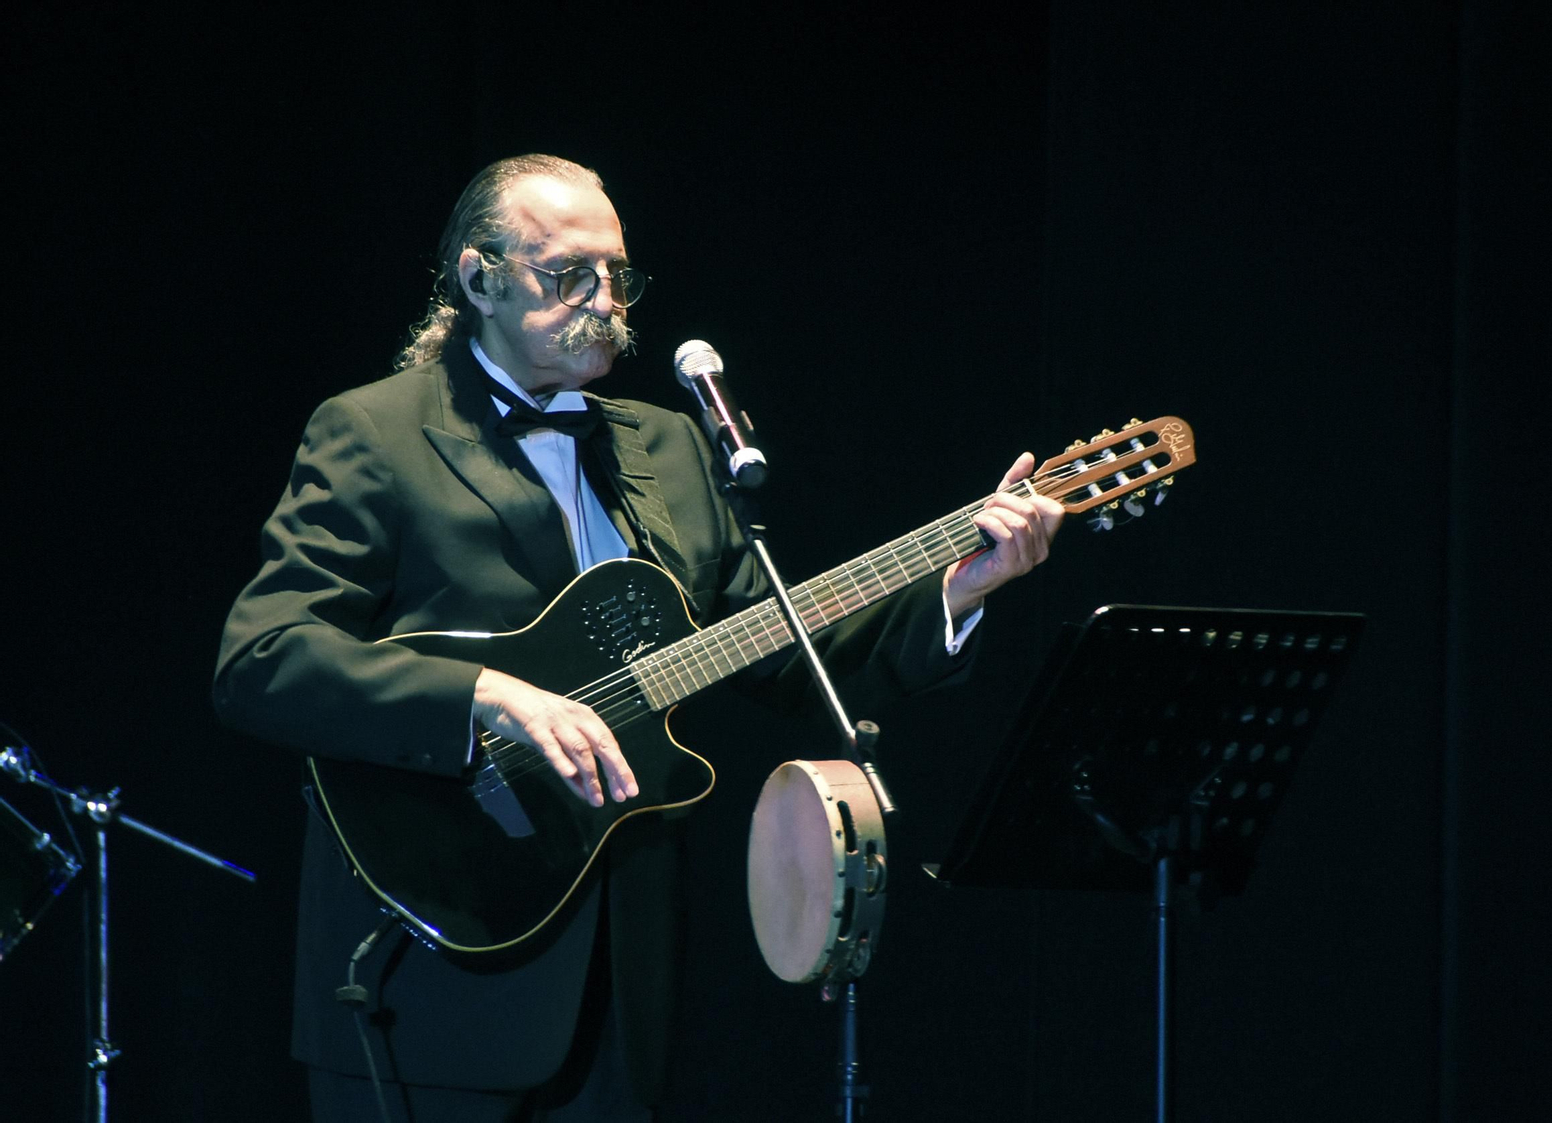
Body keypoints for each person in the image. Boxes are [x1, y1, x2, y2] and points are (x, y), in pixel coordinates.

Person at [213, 153, 1064, 1122]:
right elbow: (261, 658)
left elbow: (783, 645)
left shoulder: (666, 445)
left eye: (617, 275)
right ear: (478, 278)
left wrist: (957, 590)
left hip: (623, 983)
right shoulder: (375, 434)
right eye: (567, 274)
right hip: (432, 965)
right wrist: (485, 695)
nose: (604, 300)